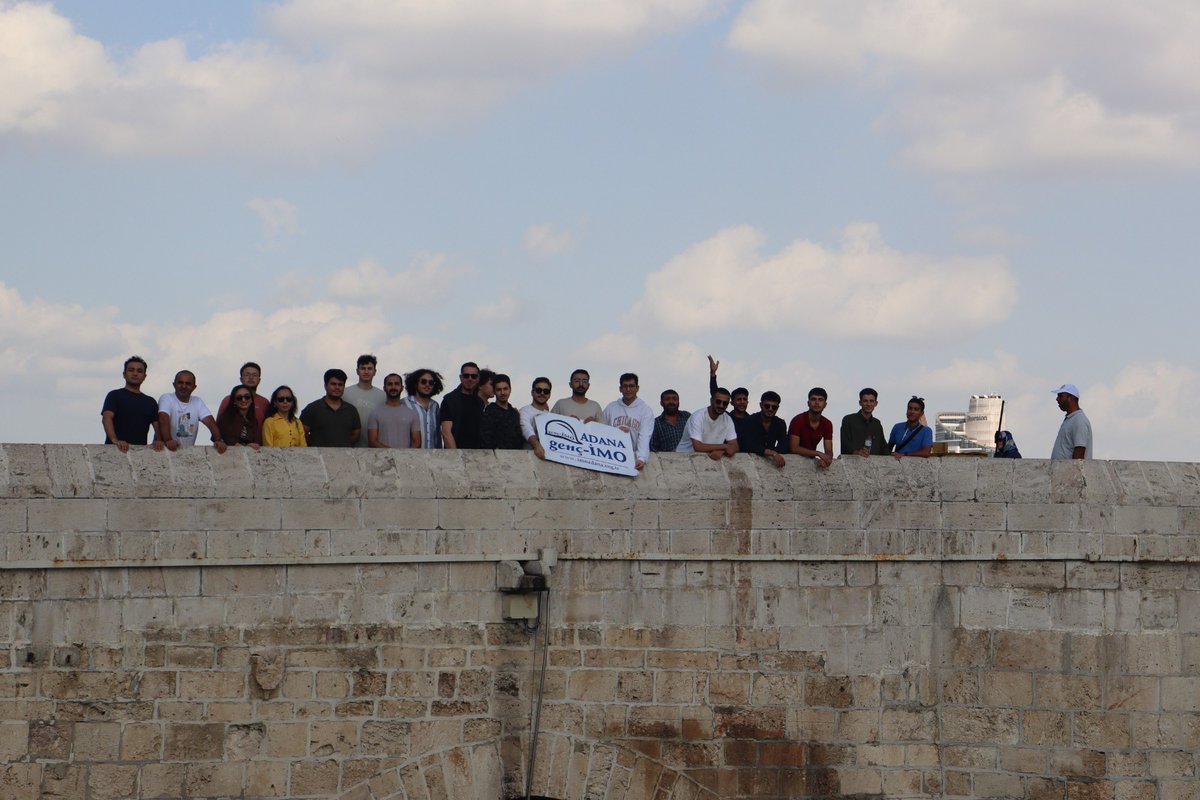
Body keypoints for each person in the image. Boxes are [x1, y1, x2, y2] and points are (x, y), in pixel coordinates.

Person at [102, 355, 163, 452]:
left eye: (139, 371)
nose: (135, 373)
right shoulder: (114, 395)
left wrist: (158, 440)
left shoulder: (150, 401)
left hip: (140, 453)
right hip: (115, 450)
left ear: (144, 376)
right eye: (131, 370)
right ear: (124, 374)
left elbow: (157, 425)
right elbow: (107, 418)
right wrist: (115, 440)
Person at [157, 370, 226, 453]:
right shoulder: (167, 398)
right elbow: (163, 418)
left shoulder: (197, 401)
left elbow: (210, 421)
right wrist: (168, 440)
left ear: (194, 387)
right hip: (166, 450)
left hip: (187, 453)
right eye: (180, 382)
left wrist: (218, 440)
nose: (184, 386)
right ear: (174, 385)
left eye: (188, 383)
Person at [603, 373, 655, 470]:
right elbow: (602, 430)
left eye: (631, 386)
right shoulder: (611, 407)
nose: (628, 389)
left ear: (637, 388)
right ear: (620, 388)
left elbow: (644, 435)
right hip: (612, 456)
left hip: (634, 456)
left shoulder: (645, 410)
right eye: (625, 386)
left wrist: (641, 457)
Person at [301, 369, 361, 447]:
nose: (337, 387)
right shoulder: (312, 409)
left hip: (344, 457)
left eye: (340, 384)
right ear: (325, 386)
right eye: (333, 384)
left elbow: (356, 435)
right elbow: (302, 433)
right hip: (318, 457)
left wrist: (342, 444)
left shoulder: (351, 410)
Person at [677, 388, 739, 460]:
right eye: (718, 402)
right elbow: (698, 447)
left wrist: (722, 451)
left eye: (725, 403)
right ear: (711, 400)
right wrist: (725, 447)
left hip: (707, 459)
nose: (721, 405)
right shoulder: (698, 417)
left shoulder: (727, 419)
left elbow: (735, 446)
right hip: (683, 458)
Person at [367, 373, 421, 449]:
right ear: (384, 388)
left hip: (405, 459)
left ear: (402, 388)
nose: (393, 387)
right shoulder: (375, 413)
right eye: (389, 384)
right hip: (382, 459)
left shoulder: (412, 414)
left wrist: (404, 456)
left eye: (396, 384)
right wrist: (392, 454)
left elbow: (417, 442)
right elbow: (372, 442)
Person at [708, 355, 753, 443]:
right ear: (731, 403)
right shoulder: (726, 417)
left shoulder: (752, 420)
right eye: (739, 399)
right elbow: (716, 395)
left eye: (744, 399)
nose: (742, 402)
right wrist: (713, 374)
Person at [344, 355, 386, 449]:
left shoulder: (383, 396)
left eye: (369, 368)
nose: (366, 372)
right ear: (357, 371)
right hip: (350, 447)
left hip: (375, 448)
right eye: (363, 368)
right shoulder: (345, 393)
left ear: (375, 372)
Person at [439, 362, 485, 449]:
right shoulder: (449, 400)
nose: (470, 379)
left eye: (473, 376)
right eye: (466, 376)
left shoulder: (480, 402)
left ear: (478, 378)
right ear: (461, 377)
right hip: (456, 456)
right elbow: (446, 432)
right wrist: (456, 457)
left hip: (477, 456)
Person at [739, 391, 788, 468]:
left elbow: (784, 447)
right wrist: (771, 452)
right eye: (767, 406)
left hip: (771, 464)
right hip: (749, 463)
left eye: (774, 407)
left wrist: (767, 451)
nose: (770, 409)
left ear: (777, 408)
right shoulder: (749, 420)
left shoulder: (780, 423)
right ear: (761, 405)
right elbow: (746, 445)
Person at [789, 387, 834, 468]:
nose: (816, 403)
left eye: (820, 400)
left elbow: (829, 450)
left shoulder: (827, 424)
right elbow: (794, 448)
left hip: (810, 461)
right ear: (808, 403)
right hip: (792, 461)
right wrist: (818, 453)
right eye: (813, 399)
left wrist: (826, 459)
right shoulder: (798, 420)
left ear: (825, 404)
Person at [480, 373, 524, 450]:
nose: (502, 393)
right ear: (494, 391)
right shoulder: (489, 411)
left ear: (510, 390)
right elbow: (485, 438)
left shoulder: (514, 413)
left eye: (505, 389)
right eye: (499, 390)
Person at [841, 388, 888, 457]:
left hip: (874, 465)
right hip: (852, 463)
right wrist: (856, 452)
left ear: (876, 403)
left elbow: (883, 447)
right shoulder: (848, 420)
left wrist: (893, 454)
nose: (868, 404)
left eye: (871, 401)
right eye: (865, 401)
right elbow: (845, 443)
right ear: (860, 402)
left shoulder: (877, 424)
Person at [1051, 383, 1093, 459]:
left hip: (1069, 470)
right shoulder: (1070, 419)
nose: (1057, 399)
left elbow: (1079, 451)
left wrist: (1072, 470)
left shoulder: (1079, 420)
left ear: (1070, 398)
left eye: (1060, 396)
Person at [404, 369, 443, 449]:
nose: (427, 385)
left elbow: (437, 435)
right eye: (423, 381)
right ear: (415, 384)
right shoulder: (404, 403)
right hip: (410, 457)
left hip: (433, 457)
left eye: (431, 383)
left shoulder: (435, 406)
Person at [215, 384, 262, 449]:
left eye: (247, 397)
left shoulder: (253, 420)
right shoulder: (225, 419)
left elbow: (257, 442)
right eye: (239, 398)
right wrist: (245, 447)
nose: (243, 400)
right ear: (234, 401)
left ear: (251, 400)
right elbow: (224, 439)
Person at [520, 377, 553, 459]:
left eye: (546, 391)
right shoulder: (524, 411)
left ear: (549, 395)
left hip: (548, 458)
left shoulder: (551, 416)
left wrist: (573, 422)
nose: (542, 393)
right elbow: (526, 430)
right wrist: (537, 446)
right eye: (538, 390)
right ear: (532, 392)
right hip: (528, 457)